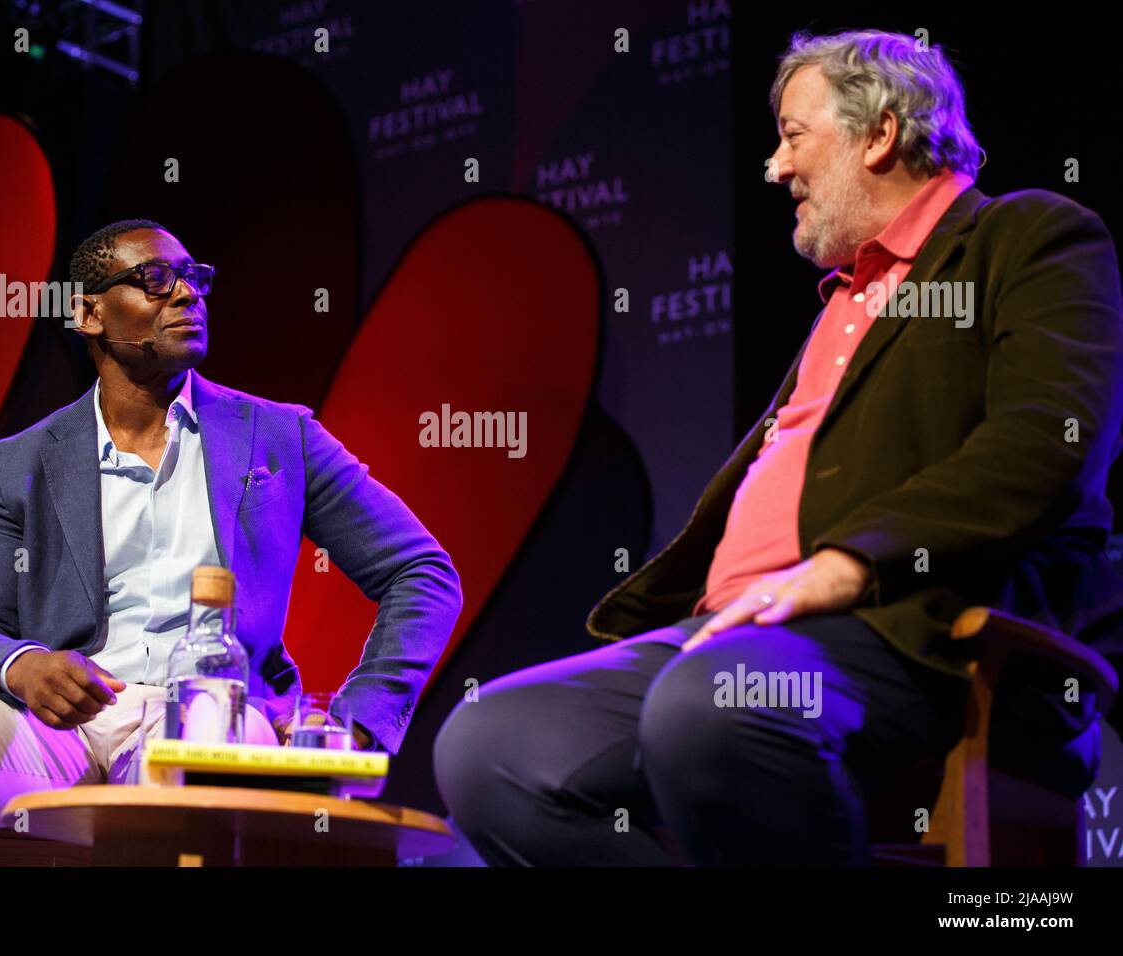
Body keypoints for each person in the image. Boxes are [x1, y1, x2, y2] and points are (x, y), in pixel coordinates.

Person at [434, 29, 1123, 865]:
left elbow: (1046, 443)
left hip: (914, 631)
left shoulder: (1027, 239)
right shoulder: (842, 301)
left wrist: (854, 562)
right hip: (731, 632)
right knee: (490, 747)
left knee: (710, 702)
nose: (774, 166)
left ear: (880, 135)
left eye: (794, 136)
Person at [0, 219, 462, 866]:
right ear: (89, 314)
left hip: (215, 716)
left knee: (219, 728)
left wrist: (359, 721)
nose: (188, 294)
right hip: (60, 735)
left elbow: (422, 573)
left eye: (194, 277)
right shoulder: (20, 463)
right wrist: (24, 666)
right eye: (155, 279)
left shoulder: (277, 436)